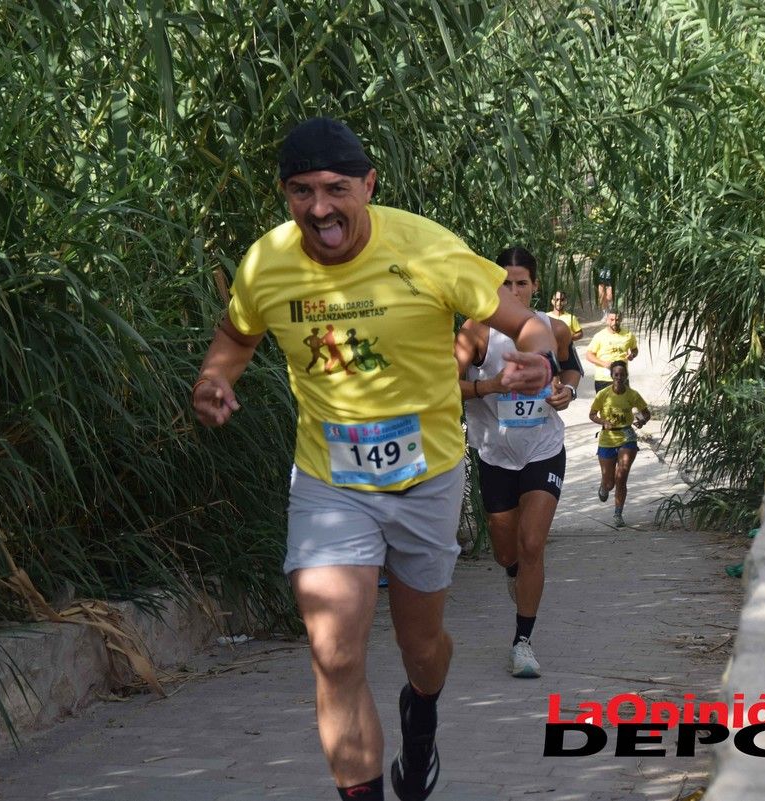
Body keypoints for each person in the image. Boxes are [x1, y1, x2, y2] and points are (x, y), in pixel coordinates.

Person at [190, 117, 558, 801]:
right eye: (300, 191)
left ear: (368, 184)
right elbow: (235, 335)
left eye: (335, 188)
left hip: (428, 476)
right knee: (333, 652)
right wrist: (217, 380)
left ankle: (421, 720)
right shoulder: (267, 261)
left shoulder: (425, 248)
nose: (319, 208)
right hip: (330, 480)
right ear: (284, 194)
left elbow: (523, 321)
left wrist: (537, 356)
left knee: (423, 650)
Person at [456, 247, 581, 679]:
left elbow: (570, 369)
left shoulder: (553, 328)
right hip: (494, 454)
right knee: (507, 549)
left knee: (532, 545)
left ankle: (522, 642)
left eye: (521, 283)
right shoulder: (475, 333)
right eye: (504, 283)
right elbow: (445, 388)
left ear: (535, 286)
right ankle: (512, 571)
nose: (513, 290)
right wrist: (491, 384)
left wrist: (567, 392)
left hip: (543, 449)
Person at [588, 361, 651, 528]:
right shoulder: (603, 394)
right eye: (616, 375)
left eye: (622, 375)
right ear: (611, 376)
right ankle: (603, 487)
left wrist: (642, 421)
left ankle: (618, 514)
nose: (619, 378)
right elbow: (592, 414)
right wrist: (603, 421)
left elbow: (646, 413)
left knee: (621, 476)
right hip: (607, 438)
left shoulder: (632, 395)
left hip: (626, 436)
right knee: (609, 483)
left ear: (626, 376)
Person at [585, 309, 638, 393]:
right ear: (607, 320)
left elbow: (634, 349)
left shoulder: (629, 335)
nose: (614, 322)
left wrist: (632, 355)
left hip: (622, 378)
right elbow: (589, 355)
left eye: (617, 320)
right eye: (612, 320)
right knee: (604, 405)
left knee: (624, 405)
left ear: (621, 320)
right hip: (603, 379)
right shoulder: (599, 336)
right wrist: (604, 363)